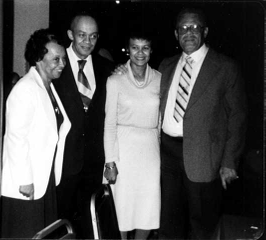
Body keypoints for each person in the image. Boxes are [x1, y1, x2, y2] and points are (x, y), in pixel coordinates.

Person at [158, 8, 247, 239]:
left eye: (195, 27)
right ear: (176, 34)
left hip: (204, 156)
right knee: (168, 221)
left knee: (202, 225)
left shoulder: (225, 67)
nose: (189, 32)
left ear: (205, 31)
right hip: (166, 155)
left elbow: (238, 118)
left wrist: (229, 162)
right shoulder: (165, 66)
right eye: (183, 28)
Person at [0, 28, 71, 238]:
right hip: (27, 182)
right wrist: (25, 180)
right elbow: (15, 137)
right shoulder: (25, 89)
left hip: (44, 177)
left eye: (64, 59)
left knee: (42, 232)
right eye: (56, 59)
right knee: (25, 232)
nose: (62, 64)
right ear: (39, 59)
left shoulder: (48, 87)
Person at [53, 12, 115, 238]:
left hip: (93, 161)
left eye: (93, 36)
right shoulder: (55, 63)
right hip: (63, 160)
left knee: (90, 221)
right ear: (70, 34)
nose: (88, 42)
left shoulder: (107, 67)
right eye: (82, 35)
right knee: (61, 221)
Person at [103, 31, 161, 239]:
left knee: (148, 207)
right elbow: (109, 123)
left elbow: (161, 119)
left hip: (150, 151)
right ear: (128, 49)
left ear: (151, 50)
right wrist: (110, 162)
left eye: (145, 47)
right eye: (135, 47)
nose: (140, 52)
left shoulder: (160, 79)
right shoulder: (115, 80)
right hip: (123, 150)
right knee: (122, 209)